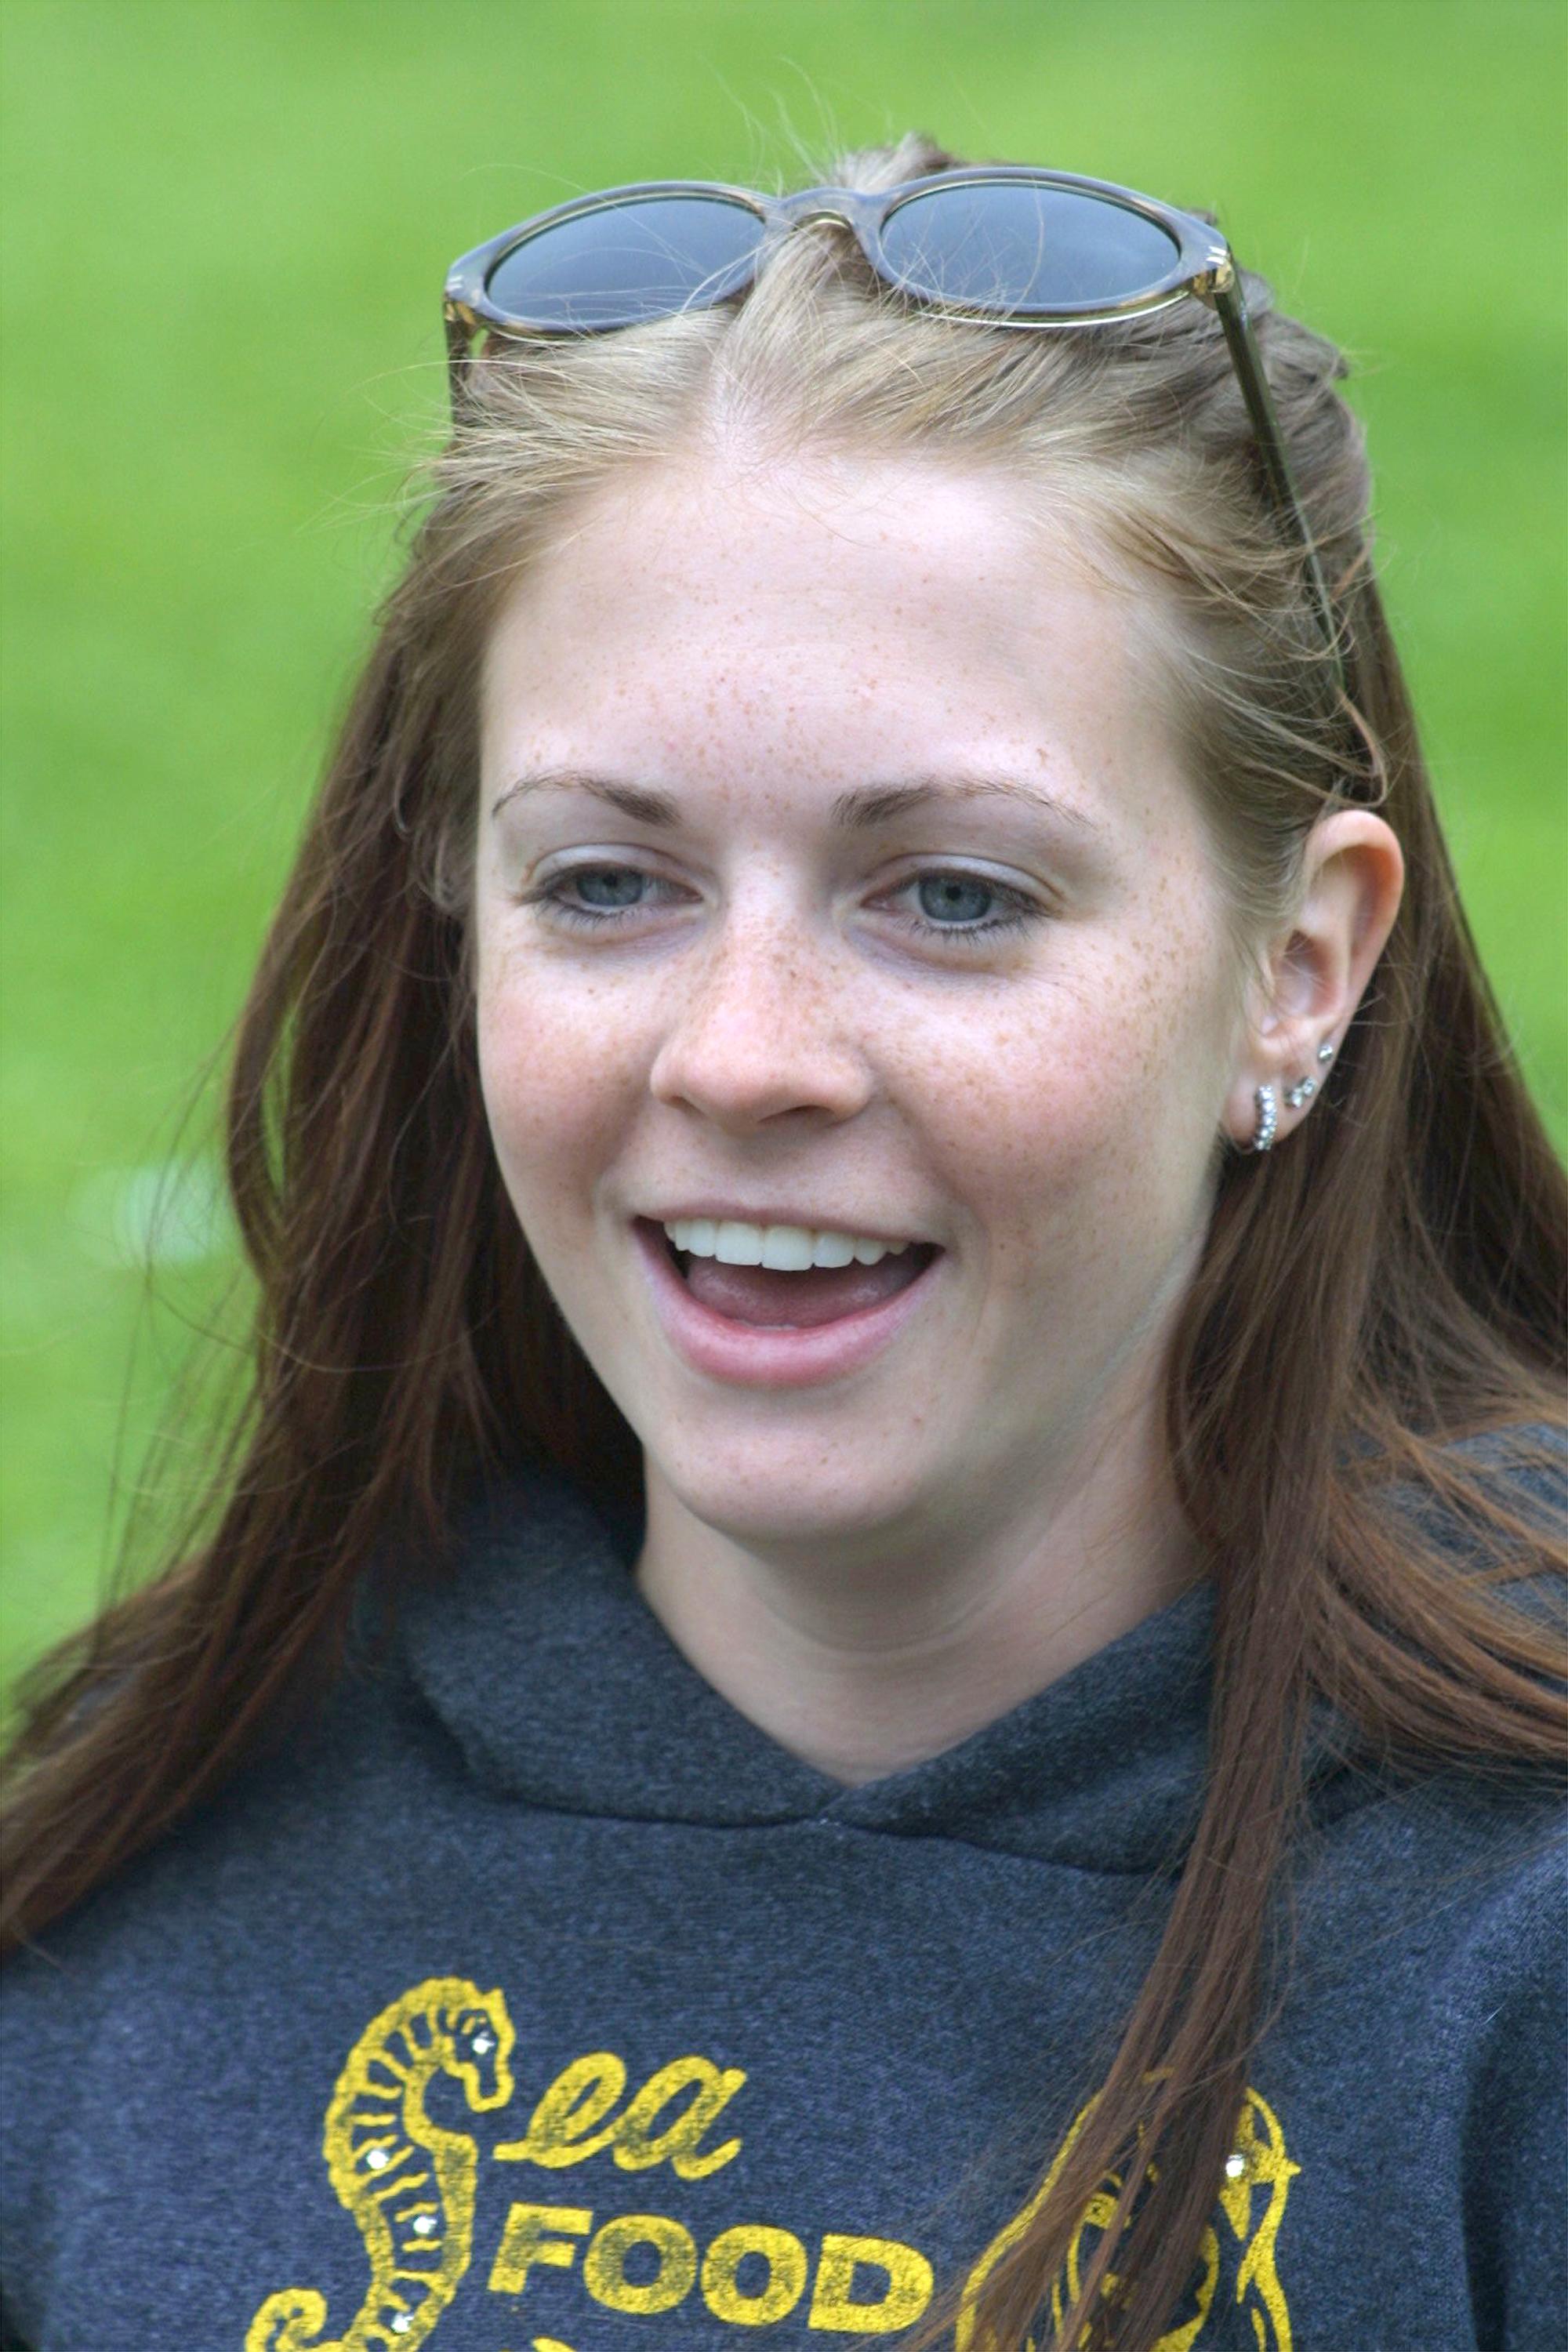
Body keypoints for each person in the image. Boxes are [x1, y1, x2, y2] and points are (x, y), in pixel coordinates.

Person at [1, 133, 1563, 2352]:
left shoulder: (1513, 1951)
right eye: (608, 884)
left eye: (953, 896)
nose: (743, 1058)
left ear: (1298, 969)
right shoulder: (130, 1897)